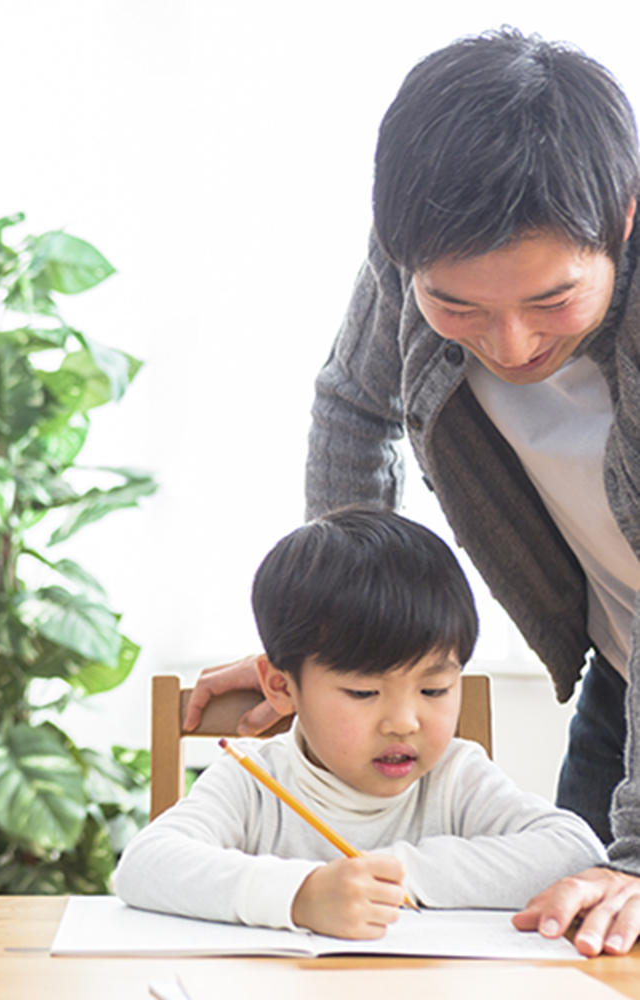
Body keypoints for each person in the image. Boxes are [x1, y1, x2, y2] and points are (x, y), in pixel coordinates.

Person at [181, 28, 640, 954]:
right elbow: (355, 404)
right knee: (570, 940)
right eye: (458, 306)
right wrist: (334, 633)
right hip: (622, 660)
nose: (508, 348)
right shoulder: (414, 253)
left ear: (625, 219)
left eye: (551, 301)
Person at [117, 508, 605, 939]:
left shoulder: (455, 776)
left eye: (434, 690)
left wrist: (392, 876)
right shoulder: (253, 779)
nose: (403, 722)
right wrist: (300, 895)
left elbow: (575, 854)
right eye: (363, 693)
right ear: (282, 688)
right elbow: (145, 864)